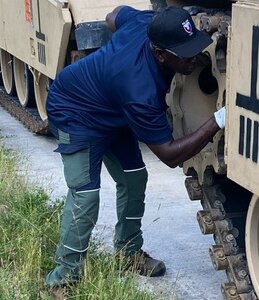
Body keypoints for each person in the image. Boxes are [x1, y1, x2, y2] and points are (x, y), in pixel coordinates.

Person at [45, 5, 226, 287]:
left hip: (113, 111)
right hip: (74, 111)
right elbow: (169, 154)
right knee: (85, 195)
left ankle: (128, 253)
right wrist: (217, 121)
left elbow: (113, 15)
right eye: (184, 52)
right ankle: (63, 278)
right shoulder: (139, 91)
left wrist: (116, 53)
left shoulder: (147, 23)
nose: (194, 56)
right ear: (160, 54)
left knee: (134, 178)